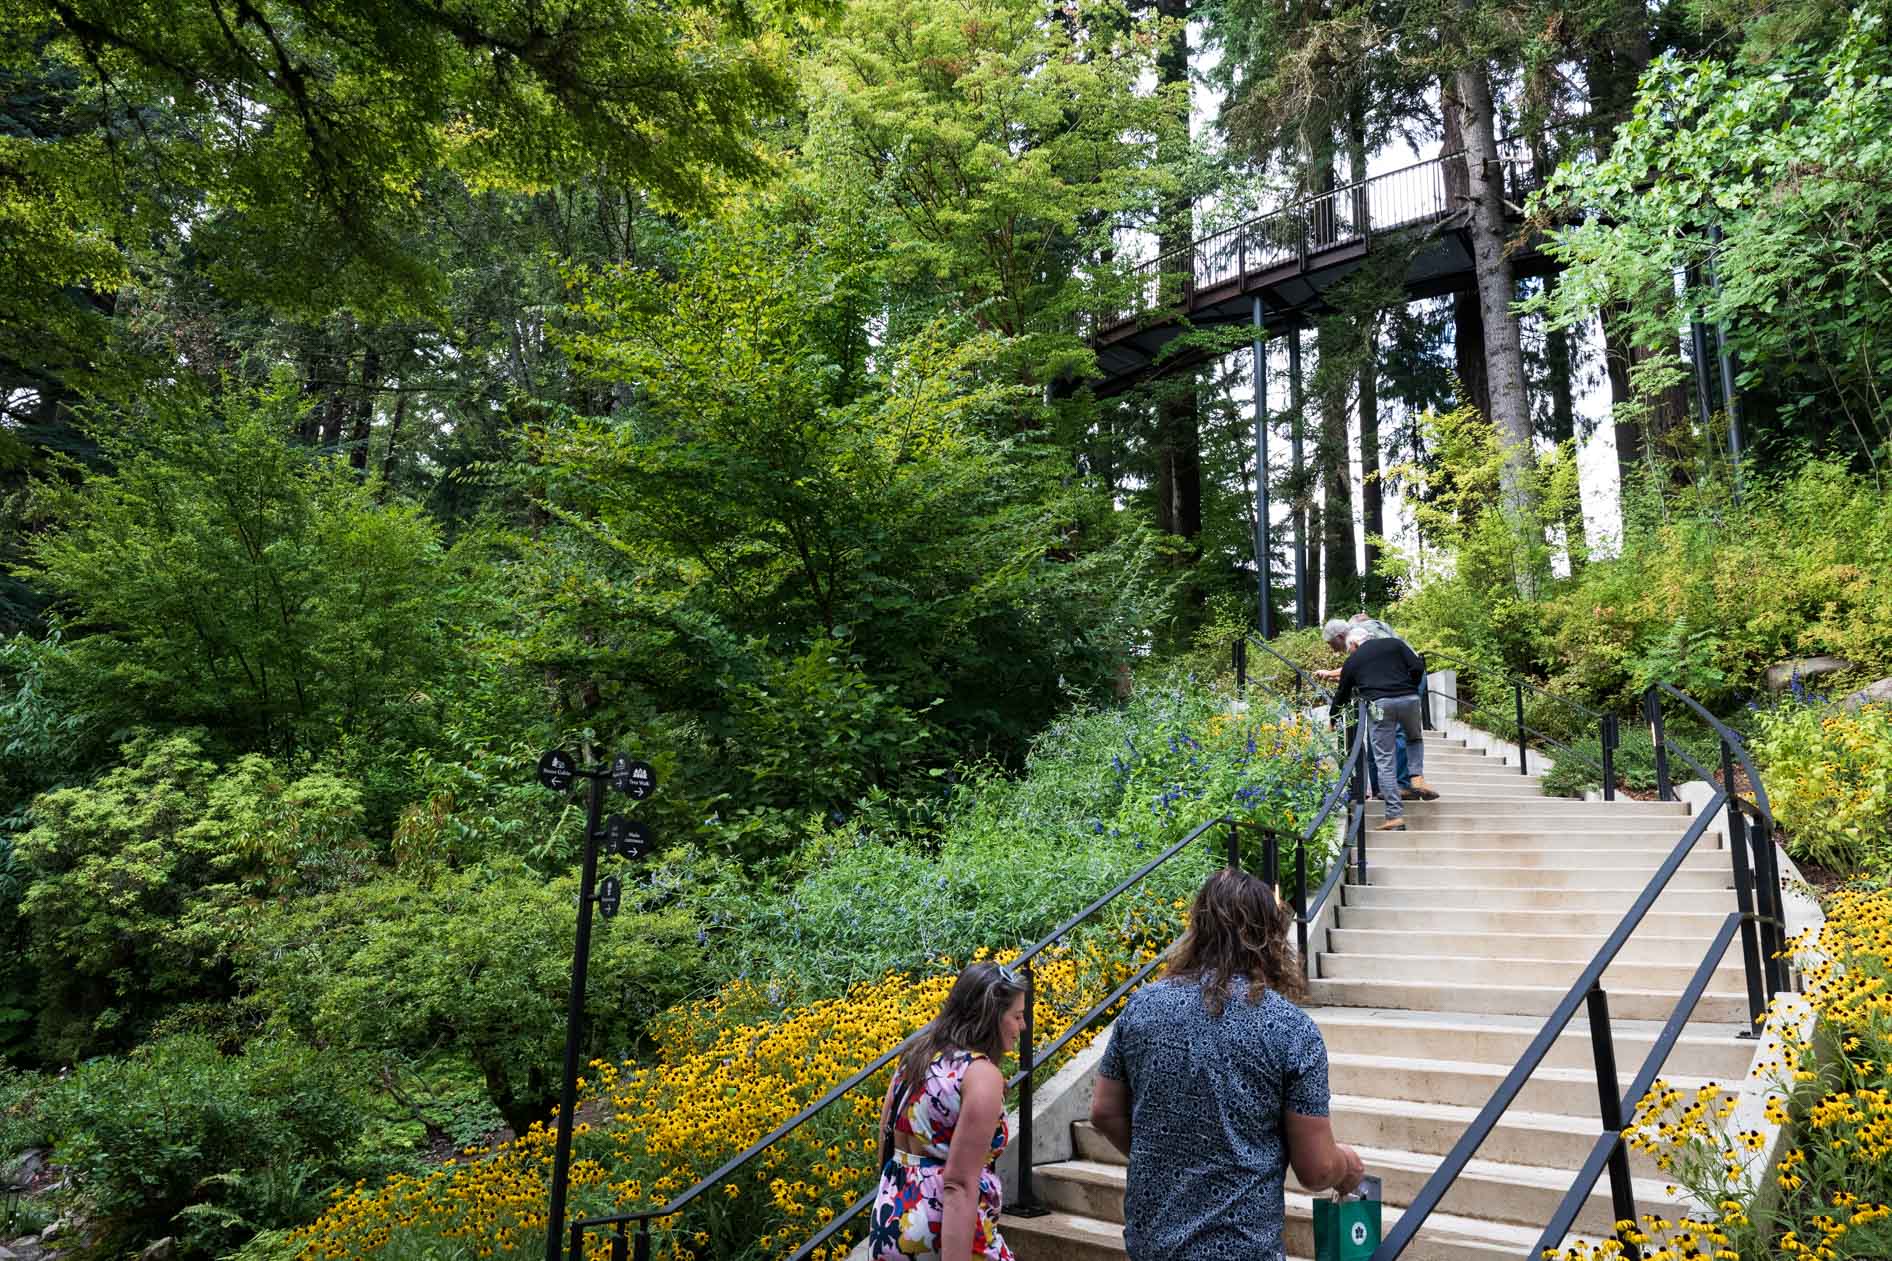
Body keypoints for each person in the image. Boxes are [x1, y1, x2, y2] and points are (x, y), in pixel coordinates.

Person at [1089, 868, 1364, 1261]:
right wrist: (1347, 1166)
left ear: (1198, 927)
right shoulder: (1290, 1029)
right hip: (1242, 1247)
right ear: (1268, 935)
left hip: (1153, 1242)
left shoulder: (1143, 1007)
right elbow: (1317, 1169)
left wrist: (1172, 1160)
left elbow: (1103, 1111)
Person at [869, 962, 1027, 1261]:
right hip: (944, 1231)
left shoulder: (916, 1055)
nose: (1023, 1027)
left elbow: (886, 1145)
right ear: (990, 1017)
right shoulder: (979, 1074)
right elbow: (959, 1184)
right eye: (1017, 1016)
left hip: (892, 1223)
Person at [1315, 615, 1434, 801]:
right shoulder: (1358, 642)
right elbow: (1368, 669)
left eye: (1331, 644)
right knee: (1379, 736)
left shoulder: (1365, 634)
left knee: (1399, 732)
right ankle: (1383, 788)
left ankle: (1403, 785)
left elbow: (1380, 661)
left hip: (1406, 680)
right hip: (1398, 683)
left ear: (1339, 636)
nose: (1333, 650)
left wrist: (1332, 675)